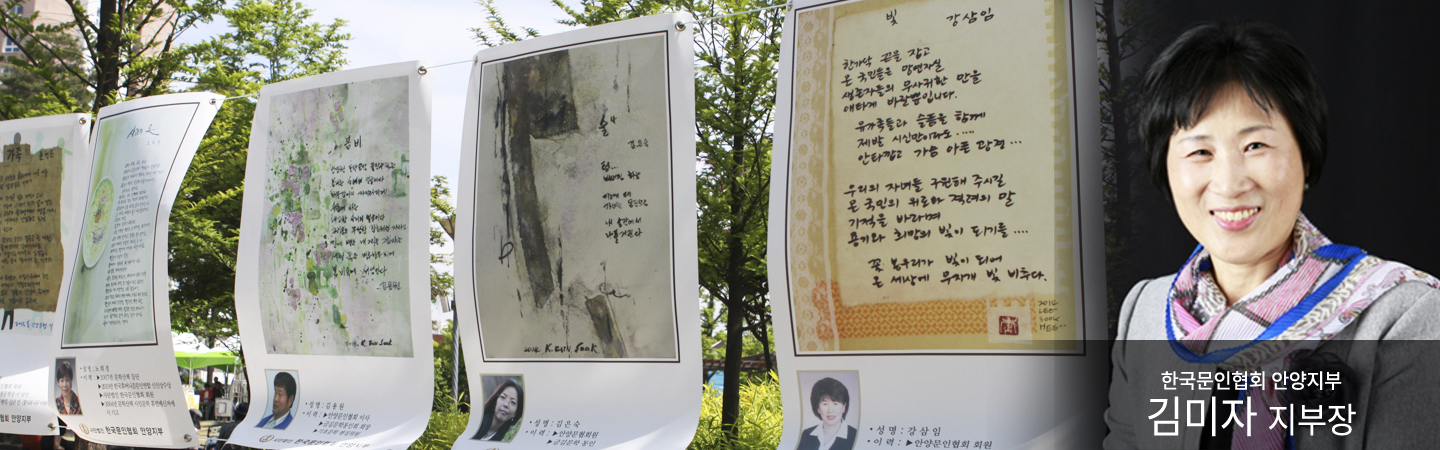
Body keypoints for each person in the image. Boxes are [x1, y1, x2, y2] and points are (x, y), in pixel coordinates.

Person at [1105, 22, 1440, 448]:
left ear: (1305, 155)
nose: (1229, 184)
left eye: (1255, 146)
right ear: (1165, 169)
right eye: (1200, 152)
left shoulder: (1405, 319)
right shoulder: (1147, 311)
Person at [797, 377, 856, 450]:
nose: (830, 410)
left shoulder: (855, 436)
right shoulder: (807, 435)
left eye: (835, 404)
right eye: (825, 404)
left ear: (844, 407)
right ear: (818, 408)